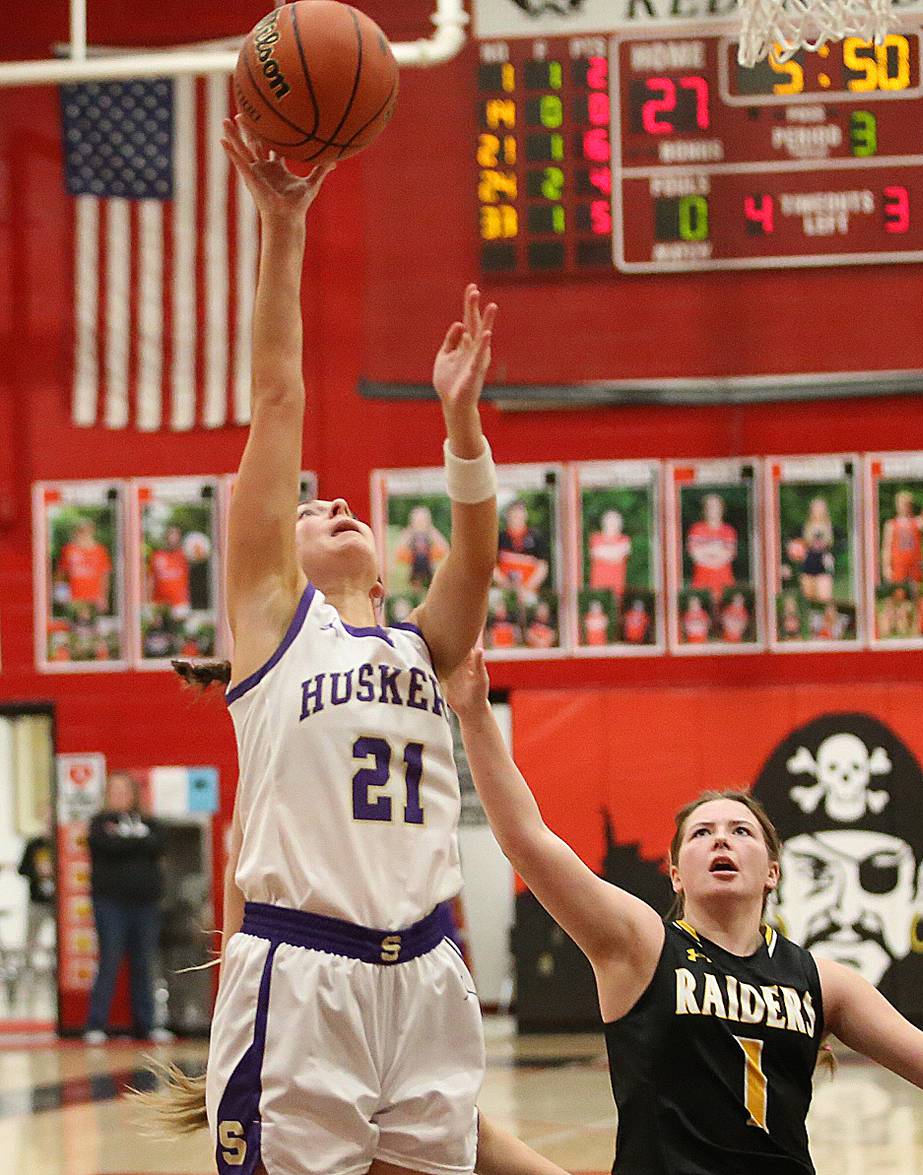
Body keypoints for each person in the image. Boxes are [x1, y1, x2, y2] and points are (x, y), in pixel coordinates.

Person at [140, 119, 564, 1175]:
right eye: (306, 504)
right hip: (301, 965)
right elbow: (279, 395)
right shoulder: (274, 626)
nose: (328, 498)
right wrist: (283, 229)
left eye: (347, 507)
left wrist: (461, 425)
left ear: (382, 572)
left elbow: (475, 547)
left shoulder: (426, 642)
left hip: (427, 971)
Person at [445, 651, 923, 1174]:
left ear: (773, 872)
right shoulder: (640, 946)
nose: (722, 840)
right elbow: (529, 841)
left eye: (742, 832)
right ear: (675, 871)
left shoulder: (822, 981)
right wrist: (474, 713)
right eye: (701, 834)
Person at [84, 772, 170, 1044]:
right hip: (110, 904)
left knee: (144, 962)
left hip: (145, 904)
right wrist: (136, 843)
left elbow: (158, 844)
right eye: (115, 791)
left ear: (133, 794)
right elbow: (107, 847)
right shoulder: (99, 823)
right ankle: (96, 1024)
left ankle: (146, 1024)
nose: (120, 796)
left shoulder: (150, 822)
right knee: (109, 960)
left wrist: (128, 842)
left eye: (125, 790)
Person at [18, 816, 56, 972]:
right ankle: (27, 970)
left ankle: (57, 968)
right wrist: (37, 871)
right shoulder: (33, 844)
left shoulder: (60, 844)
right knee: (31, 940)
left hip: (57, 902)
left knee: (61, 940)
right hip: (37, 900)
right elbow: (22, 869)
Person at [56, 517, 112, 621]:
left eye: (87, 530)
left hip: (94, 599)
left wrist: (104, 597)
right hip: (73, 598)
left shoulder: (101, 551)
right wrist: (61, 595)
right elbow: (61, 574)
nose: (83, 533)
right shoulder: (68, 549)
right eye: (80, 530)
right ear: (76, 532)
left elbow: (105, 575)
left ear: (92, 531)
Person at [495, 499, 549, 604]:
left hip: (529, 591)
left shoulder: (536, 537)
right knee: (494, 602)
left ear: (525, 515)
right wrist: (506, 585)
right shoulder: (498, 538)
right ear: (508, 515)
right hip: (504, 591)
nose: (517, 517)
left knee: (532, 606)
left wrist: (526, 588)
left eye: (520, 513)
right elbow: (492, 567)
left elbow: (543, 567)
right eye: (514, 513)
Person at [687, 493, 739, 600]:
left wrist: (706, 548)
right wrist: (717, 547)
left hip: (725, 584)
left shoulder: (729, 531)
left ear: (722, 509)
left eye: (716, 506)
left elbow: (728, 556)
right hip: (700, 584)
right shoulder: (696, 529)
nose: (712, 510)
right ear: (704, 510)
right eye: (709, 506)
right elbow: (695, 556)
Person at [395, 503, 451, 593]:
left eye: (423, 520)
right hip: (414, 564)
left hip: (428, 564)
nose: (420, 523)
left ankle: (429, 587)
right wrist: (410, 530)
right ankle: (416, 588)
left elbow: (445, 548)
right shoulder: (410, 534)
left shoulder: (431, 533)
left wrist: (431, 529)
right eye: (418, 520)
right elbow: (399, 550)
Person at [881, 491, 923, 585]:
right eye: (900, 504)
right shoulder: (891, 524)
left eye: (906, 504)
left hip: (915, 562)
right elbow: (886, 547)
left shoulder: (918, 521)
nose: (903, 507)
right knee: (899, 591)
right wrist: (886, 567)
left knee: (915, 590)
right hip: (899, 563)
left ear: (910, 505)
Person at [797, 497, 835, 604]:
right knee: (808, 601)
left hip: (823, 565)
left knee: (824, 600)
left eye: (820, 508)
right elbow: (800, 547)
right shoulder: (805, 526)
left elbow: (832, 546)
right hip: (808, 564)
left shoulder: (830, 526)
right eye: (816, 508)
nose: (818, 510)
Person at [589, 508, 632, 599]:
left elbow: (619, 556)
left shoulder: (625, 539)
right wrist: (614, 552)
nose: (612, 524)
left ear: (620, 524)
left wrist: (605, 553)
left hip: (618, 588)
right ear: (603, 523)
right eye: (609, 521)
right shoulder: (595, 538)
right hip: (598, 587)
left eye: (615, 521)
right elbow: (596, 553)